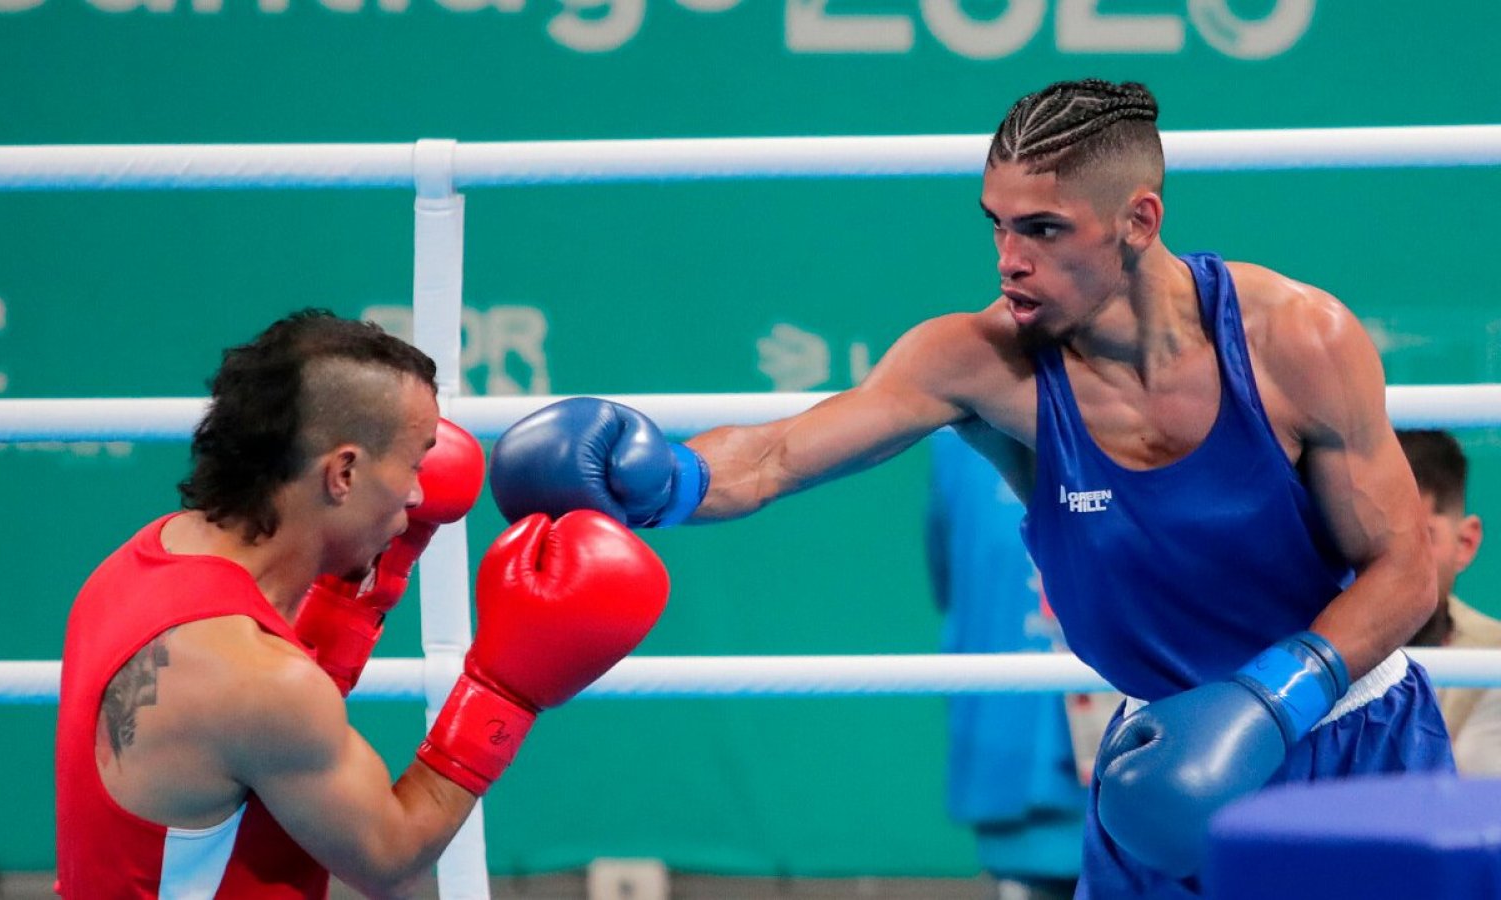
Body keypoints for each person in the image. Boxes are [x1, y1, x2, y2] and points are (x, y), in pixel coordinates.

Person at [481, 79, 1454, 898]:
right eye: (995, 225)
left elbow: (1406, 563)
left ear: (1137, 221)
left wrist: (1269, 698)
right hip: (1158, 755)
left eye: (1041, 229)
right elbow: (776, 455)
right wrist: (662, 477)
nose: (1008, 260)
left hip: (1348, 737)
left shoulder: (1295, 338)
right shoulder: (983, 361)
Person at [54, 310, 669, 898]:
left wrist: (364, 585)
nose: (420, 492)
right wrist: (507, 691)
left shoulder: (144, 560)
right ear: (342, 473)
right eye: (413, 461)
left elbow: (257, 724)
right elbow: (391, 863)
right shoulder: (256, 682)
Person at [925, 430, 1088, 900]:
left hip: (1016, 737)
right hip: (1120, 754)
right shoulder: (1145, 405)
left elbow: (945, 576)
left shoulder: (956, 429)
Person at [1399, 429, 1501, 775]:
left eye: (1420, 536)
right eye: (1372, 534)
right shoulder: (1302, 642)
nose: (1391, 559)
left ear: (1466, 543)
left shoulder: (1494, 653)